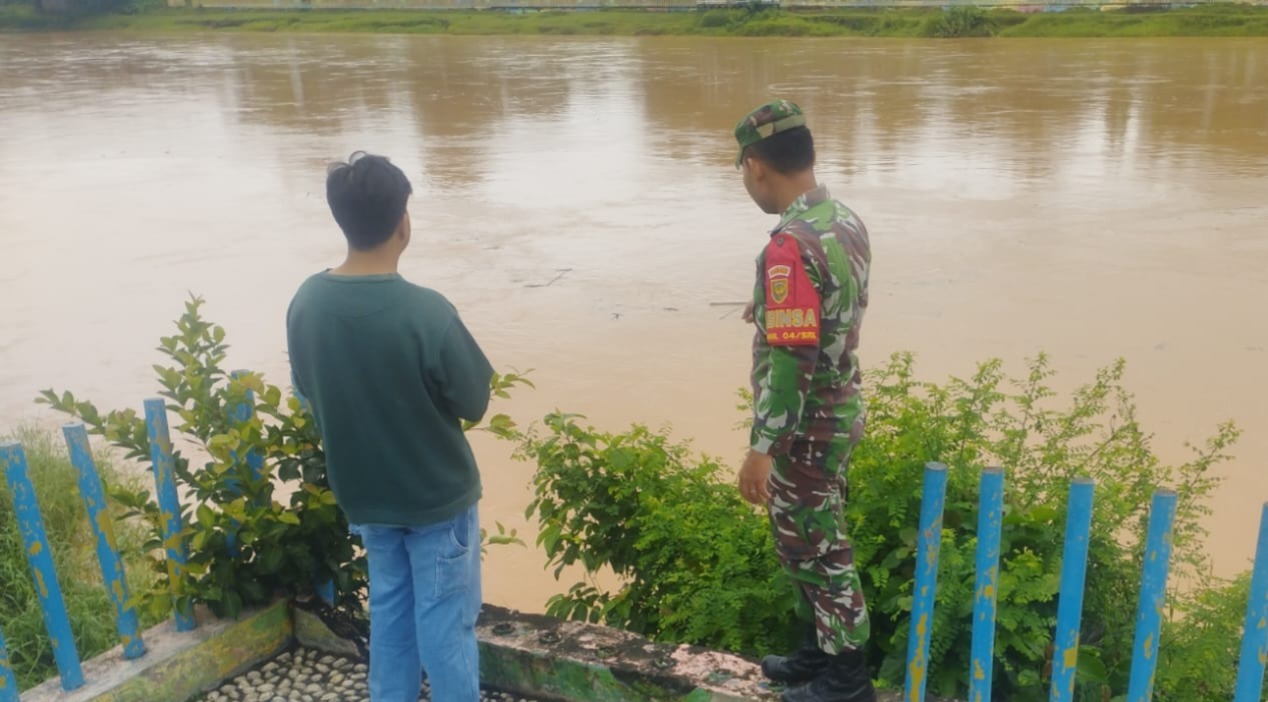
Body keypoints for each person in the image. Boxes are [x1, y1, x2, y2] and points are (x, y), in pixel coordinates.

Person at [286, 152, 493, 702]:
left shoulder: (306, 304)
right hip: (437, 499)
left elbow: (307, 390)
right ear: (403, 221)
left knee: (392, 623)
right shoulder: (426, 311)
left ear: (342, 221)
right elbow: (473, 400)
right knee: (446, 628)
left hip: (368, 498)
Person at [732, 101, 876, 702]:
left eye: (741, 168)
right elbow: (829, 320)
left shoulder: (789, 246)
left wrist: (762, 447)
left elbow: (791, 362)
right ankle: (822, 653)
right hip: (840, 409)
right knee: (809, 540)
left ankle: (847, 682)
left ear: (757, 165)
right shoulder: (843, 220)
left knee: (820, 550)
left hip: (807, 428)